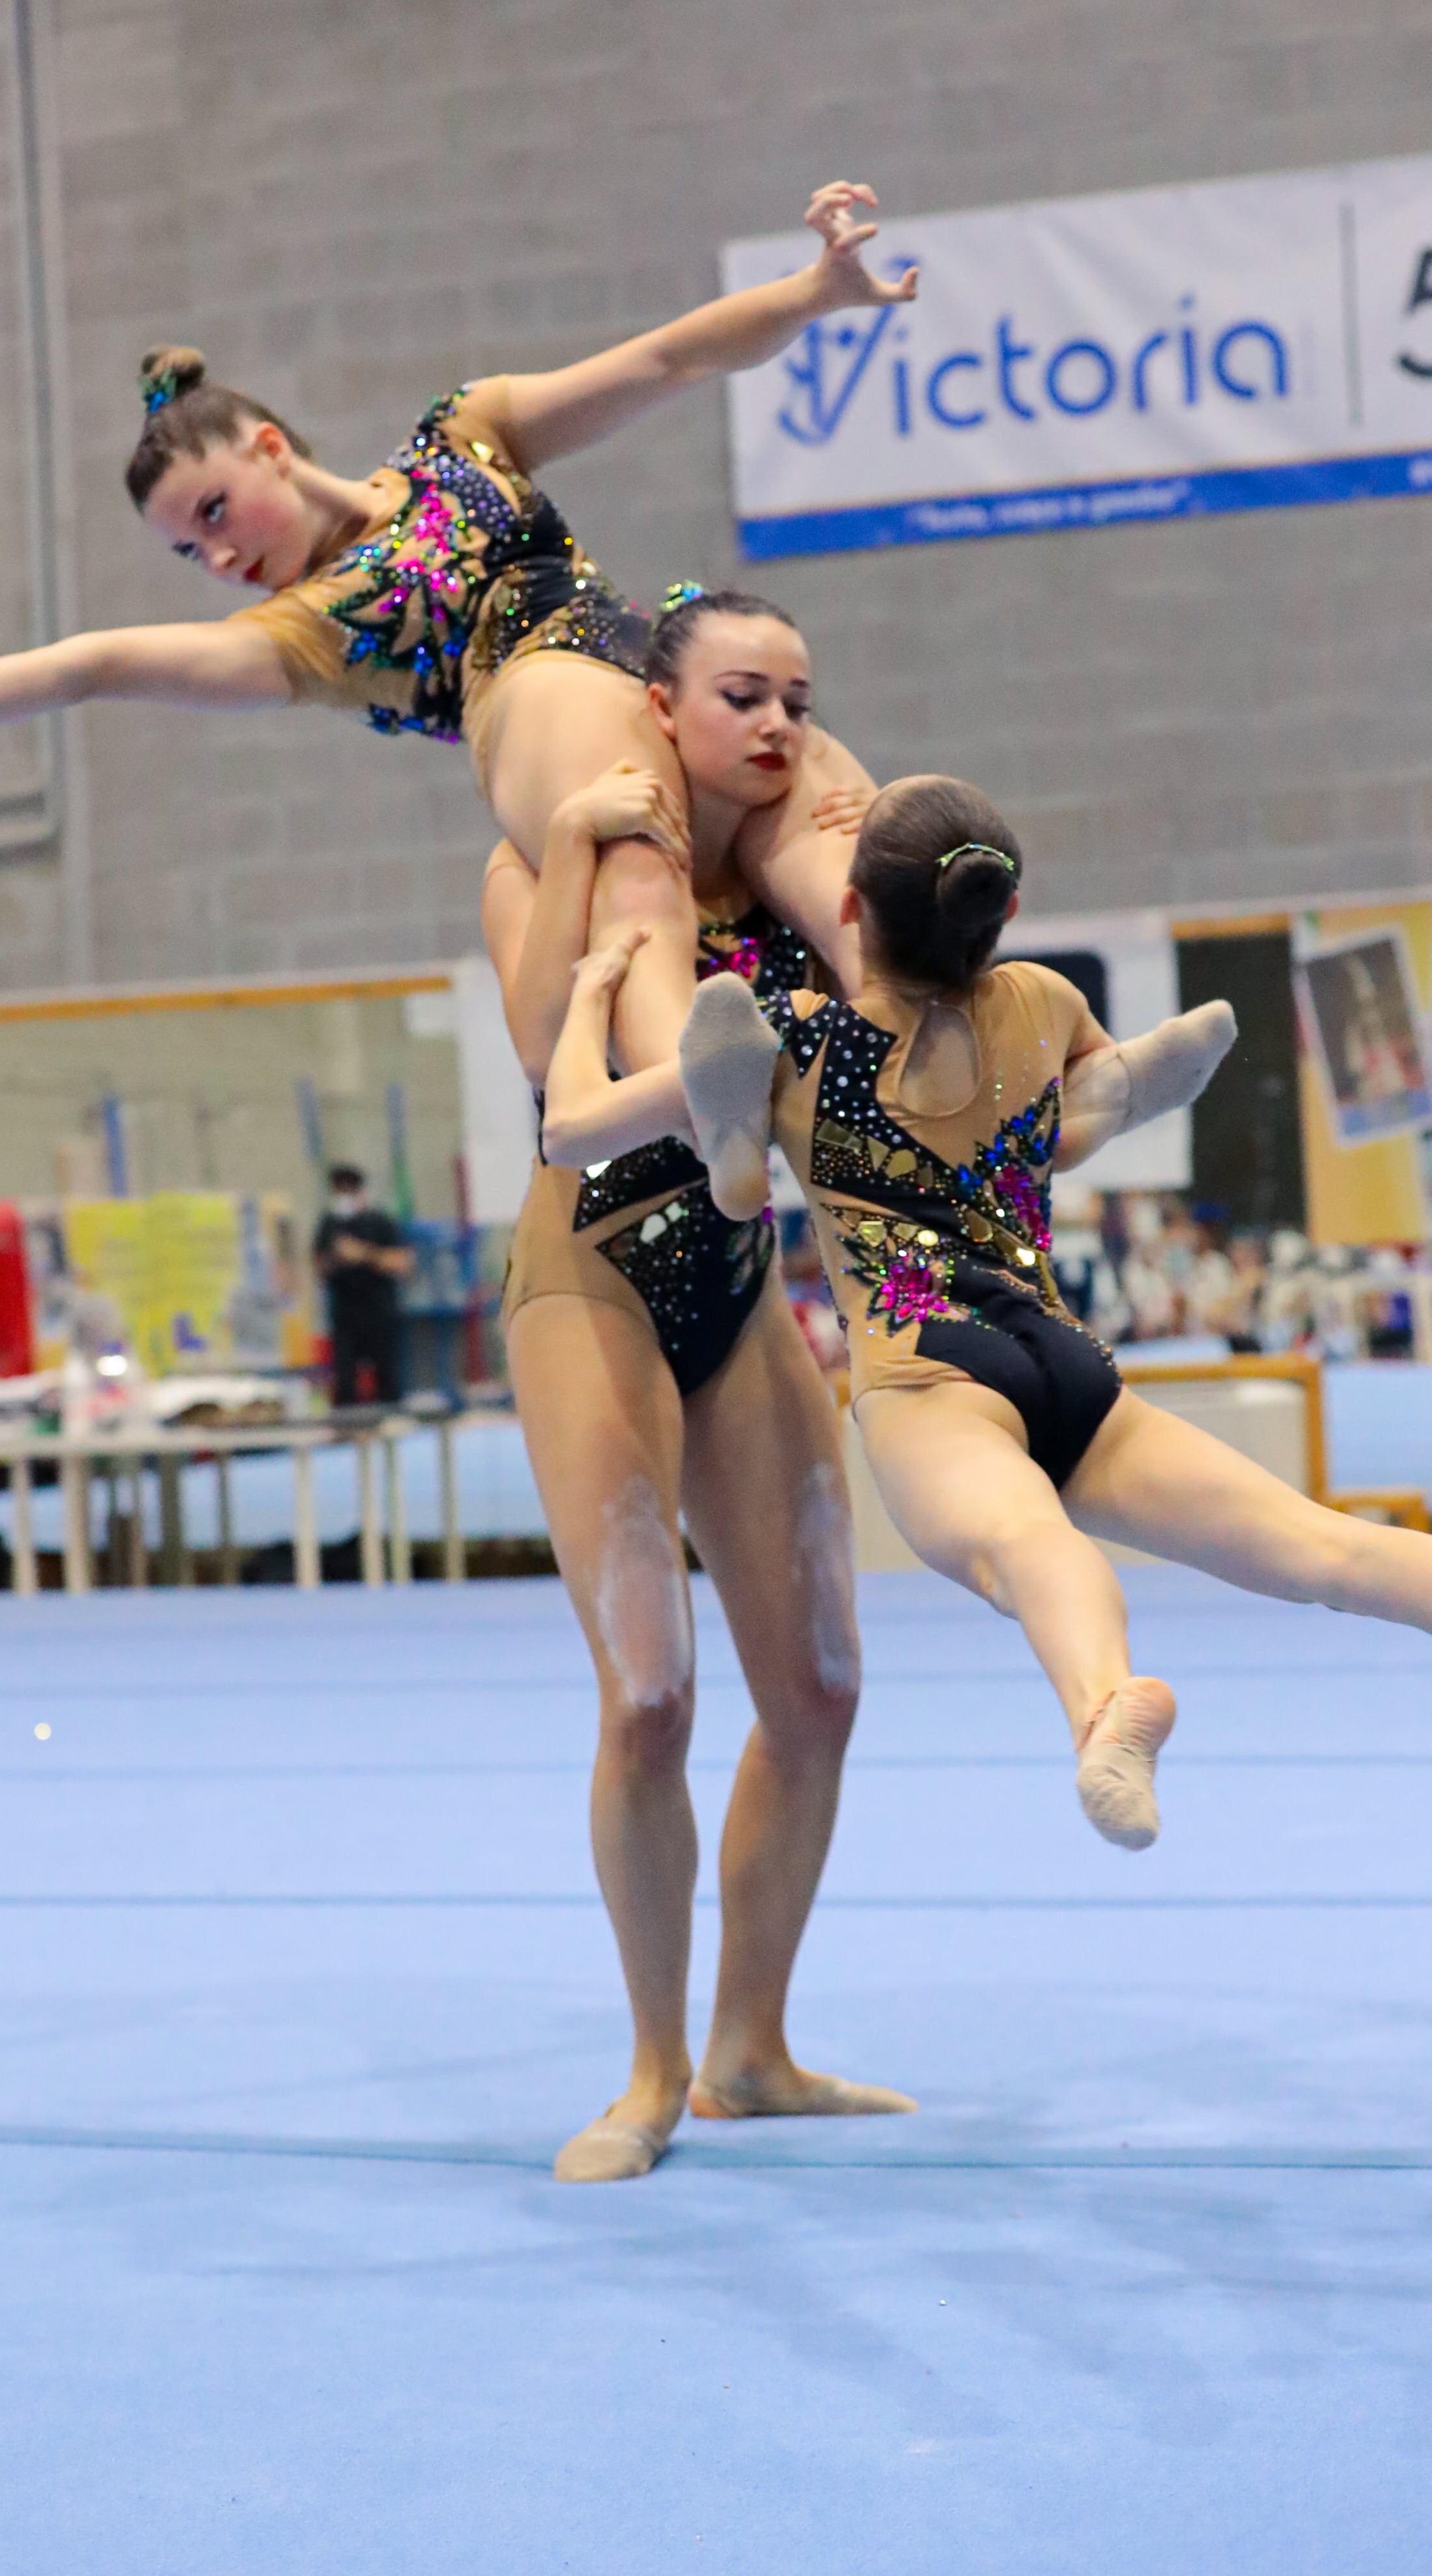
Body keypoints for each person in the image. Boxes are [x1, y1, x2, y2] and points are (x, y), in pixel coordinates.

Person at [0, 184, 912, 1220]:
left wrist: (812, 293)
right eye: (183, 557)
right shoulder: (300, 633)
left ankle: (922, 1034)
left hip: (651, 657)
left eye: (209, 516)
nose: (215, 561)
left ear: (266, 445)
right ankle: (700, 1107)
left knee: (818, 793)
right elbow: (87, 663)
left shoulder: (466, 438)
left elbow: (665, 360)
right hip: (538, 705)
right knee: (636, 842)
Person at [550, 770, 1432, 1853]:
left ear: (847, 909)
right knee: (1332, 1551)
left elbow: (571, 1129)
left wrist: (587, 994)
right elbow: (1036, 1128)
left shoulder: (798, 1037)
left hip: (928, 1372)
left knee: (1024, 1542)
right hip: (1062, 1357)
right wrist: (1100, 1102)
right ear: (1002, 915)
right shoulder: (1040, 1003)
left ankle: (1102, 1704)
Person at [482, 622, 912, 2184]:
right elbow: (549, 1067)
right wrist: (588, 843)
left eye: (804, 698)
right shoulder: (560, 853)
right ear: (659, 709)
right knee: (650, 1697)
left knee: (819, 1693)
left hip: (736, 1291)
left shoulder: (797, 901)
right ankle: (653, 2070)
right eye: (745, 696)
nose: (781, 724)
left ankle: (751, 2046)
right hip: (590, 1270)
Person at [312, 1165, 413, 1407]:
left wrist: (364, 1254)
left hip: (380, 1314)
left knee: (388, 1382)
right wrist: (336, 1259)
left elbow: (402, 1263)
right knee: (345, 1386)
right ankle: (348, 1436)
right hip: (346, 1318)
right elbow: (318, 1266)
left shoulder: (380, 1222)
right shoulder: (330, 1224)